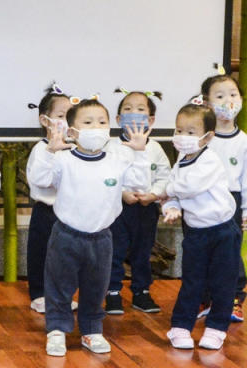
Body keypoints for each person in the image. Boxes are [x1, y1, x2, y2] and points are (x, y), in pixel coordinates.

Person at [29, 96, 151, 356]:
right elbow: (39, 180)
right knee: (59, 286)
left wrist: (139, 153)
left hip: (102, 238)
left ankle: (92, 330)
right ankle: (57, 330)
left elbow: (140, 183)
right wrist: (51, 151)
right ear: (72, 131)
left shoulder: (117, 160)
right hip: (66, 236)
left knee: (96, 287)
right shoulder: (64, 159)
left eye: (101, 122)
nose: (96, 128)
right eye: (88, 122)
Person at [162, 102, 240, 352]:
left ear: (208, 137)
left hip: (223, 231)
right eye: (179, 130)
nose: (182, 137)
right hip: (195, 232)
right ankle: (180, 327)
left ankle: (217, 328)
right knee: (192, 281)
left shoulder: (210, 161)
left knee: (223, 282)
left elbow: (187, 187)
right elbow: (174, 192)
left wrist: (161, 192)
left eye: (190, 132)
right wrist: (170, 207)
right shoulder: (181, 161)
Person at [105, 89, 170, 316]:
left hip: (146, 208)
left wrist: (154, 194)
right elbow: (105, 174)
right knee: (115, 250)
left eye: (140, 110)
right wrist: (121, 192)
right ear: (118, 119)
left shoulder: (156, 148)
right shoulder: (111, 146)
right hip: (118, 208)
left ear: (150, 120)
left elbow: (165, 176)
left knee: (143, 251)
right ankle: (112, 292)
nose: (134, 114)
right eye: (128, 109)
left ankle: (141, 291)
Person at [198, 74, 247, 323]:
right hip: (202, 200)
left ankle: (233, 299)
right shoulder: (202, 138)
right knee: (201, 252)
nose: (228, 101)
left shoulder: (243, 142)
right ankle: (205, 298)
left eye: (233, 94)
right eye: (220, 96)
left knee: (230, 253)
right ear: (206, 103)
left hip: (232, 202)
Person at [25, 84, 72, 314]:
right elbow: (39, 180)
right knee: (42, 253)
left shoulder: (74, 149)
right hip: (46, 210)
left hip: (69, 210)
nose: (67, 121)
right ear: (45, 120)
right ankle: (39, 294)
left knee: (66, 256)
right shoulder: (40, 149)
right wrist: (52, 153)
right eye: (61, 116)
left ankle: (63, 294)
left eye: (70, 116)